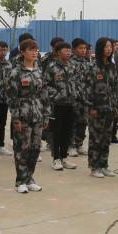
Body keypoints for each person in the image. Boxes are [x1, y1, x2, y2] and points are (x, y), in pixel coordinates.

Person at [6, 38, 49, 193]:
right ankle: (20, 181)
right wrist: (16, 118)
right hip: (23, 114)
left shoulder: (39, 71)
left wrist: (46, 115)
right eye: (31, 50)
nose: (34, 53)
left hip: (37, 113)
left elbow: (44, 94)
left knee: (35, 148)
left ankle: (29, 178)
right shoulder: (16, 72)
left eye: (36, 50)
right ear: (22, 52)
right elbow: (12, 97)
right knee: (22, 148)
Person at [85, 37, 118, 178]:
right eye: (106, 46)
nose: (109, 49)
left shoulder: (112, 67)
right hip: (96, 109)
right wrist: (91, 107)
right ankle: (94, 166)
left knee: (106, 139)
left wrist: (116, 107)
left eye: (110, 46)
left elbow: (115, 89)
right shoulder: (92, 67)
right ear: (100, 49)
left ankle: (104, 165)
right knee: (95, 139)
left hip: (109, 108)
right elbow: (87, 89)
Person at [43, 41, 77, 171]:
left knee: (67, 132)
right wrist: (57, 95)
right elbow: (45, 85)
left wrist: (76, 94)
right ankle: (56, 158)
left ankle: (64, 157)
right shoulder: (51, 67)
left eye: (69, 50)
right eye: (65, 50)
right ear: (58, 52)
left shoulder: (72, 66)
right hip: (56, 104)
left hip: (70, 103)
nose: (68, 52)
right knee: (56, 132)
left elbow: (77, 82)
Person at [68, 38, 92, 158]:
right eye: (80, 48)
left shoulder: (88, 63)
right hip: (73, 98)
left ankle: (79, 143)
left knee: (83, 122)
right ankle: (71, 145)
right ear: (73, 49)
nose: (83, 50)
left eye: (85, 48)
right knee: (72, 122)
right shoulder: (69, 63)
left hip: (85, 98)